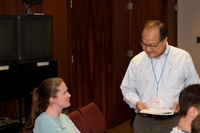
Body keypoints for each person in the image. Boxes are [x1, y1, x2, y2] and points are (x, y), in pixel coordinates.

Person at [120, 20, 200, 133]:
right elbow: (127, 88)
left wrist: (183, 103)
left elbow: (195, 88)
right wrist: (136, 102)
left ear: (165, 40)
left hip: (174, 121)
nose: (147, 49)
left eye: (152, 45)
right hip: (144, 122)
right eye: (144, 44)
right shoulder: (137, 61)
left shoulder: (182, 58)